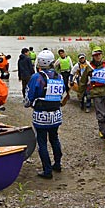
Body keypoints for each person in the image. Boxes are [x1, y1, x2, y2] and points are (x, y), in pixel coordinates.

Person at [25, 50, 64, 179]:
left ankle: (47, 170)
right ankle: (57, 163)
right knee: (54, 138)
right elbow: (62, 92)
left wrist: (28, 104)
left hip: (41, 115)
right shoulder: (59, 76)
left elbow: (29, 97)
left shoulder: (36, 77)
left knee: (42, 142)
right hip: (56, 114)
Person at [79, 47, 105, 143]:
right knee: (100, 113)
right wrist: (80, 94)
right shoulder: (89, 67)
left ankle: (102, 129)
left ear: (101, 55)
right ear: (93, 56)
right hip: (96, 93)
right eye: (95, 55)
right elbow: (83, 81)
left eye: (99, 54)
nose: (98, 57)